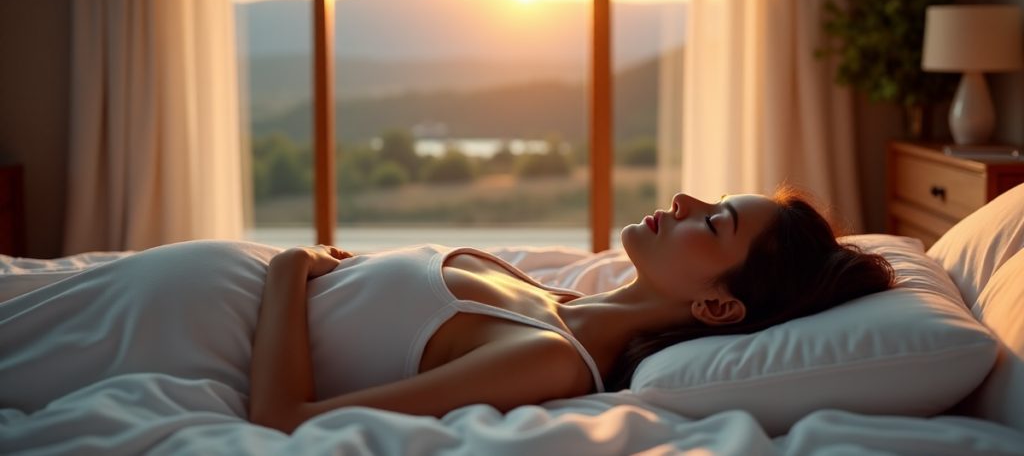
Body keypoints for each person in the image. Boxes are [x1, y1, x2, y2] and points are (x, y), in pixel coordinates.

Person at [248, 187, 895, 433]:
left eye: (714, 221)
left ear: (719, 307)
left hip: (188, 327)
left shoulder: (549, 359)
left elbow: (284, 419)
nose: (683, 198)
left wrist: (286, 268)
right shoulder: (560, 299)